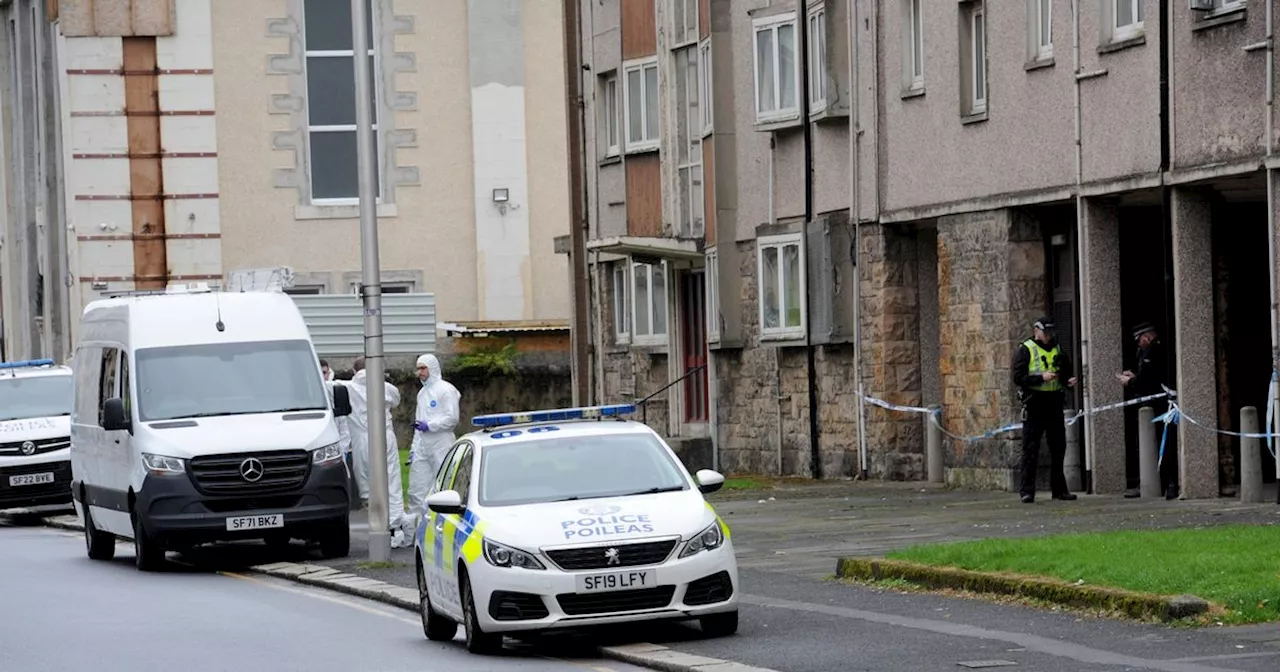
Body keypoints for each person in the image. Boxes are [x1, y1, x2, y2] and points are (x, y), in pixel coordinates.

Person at [341, 356, 413, 547]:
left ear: (355, 371)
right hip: (385, 436)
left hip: (362, 439)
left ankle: (380, 525)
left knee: (367, 484)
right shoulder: (386, 388)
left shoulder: (346, 387)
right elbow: (396, 400)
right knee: (392, 481)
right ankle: (396, 526)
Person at [1012, 316, 1078, 504]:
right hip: (1035, 404)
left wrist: (1068, 381)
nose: (1049, 336)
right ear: (1036, 331)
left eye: (1051, 332)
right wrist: (1041, 378)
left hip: (1054, 403)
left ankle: (1059, 490)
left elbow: (1064, 372)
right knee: (1030, 449)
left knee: (1059, 448)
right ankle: (1027, 491)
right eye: (1045, 332)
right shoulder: (1025, 349)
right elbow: (1018, 378)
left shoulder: (1057, 348)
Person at [1119, 322, 1178, 500]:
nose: (1138, 343)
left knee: (1165, 445)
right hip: (1156, 404)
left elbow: (1149, 379)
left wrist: (1130, 382)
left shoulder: (1154, 351)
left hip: (1162, 405)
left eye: (1139, 340)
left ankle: (1169, 484)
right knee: (1157, 445)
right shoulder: (1147, 352)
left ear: (1147, 337)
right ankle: (1160, 483)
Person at [406, 354, 461, 523]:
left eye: (423, 368)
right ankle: (416, 530)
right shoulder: (422, 393)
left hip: (441, 445)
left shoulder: (446, 390)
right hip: (423, 445)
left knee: (443, 488)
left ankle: (443, 525)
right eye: (418, 368)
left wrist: (430, 425)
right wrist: (414, 449)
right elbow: (418, 424)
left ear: (433, 368)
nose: (420, 372)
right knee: (417, 488)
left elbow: (452, 419)